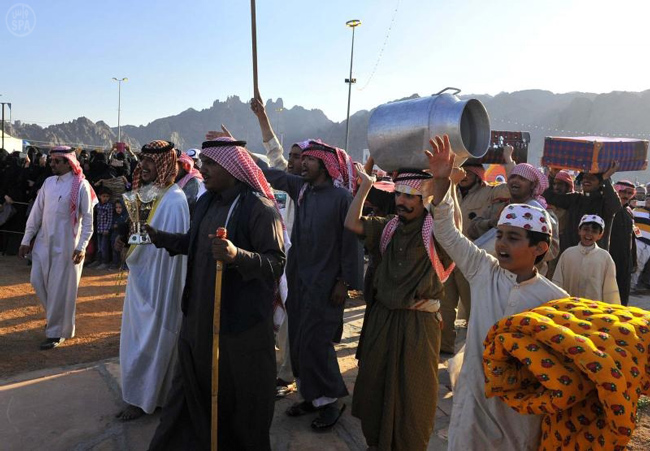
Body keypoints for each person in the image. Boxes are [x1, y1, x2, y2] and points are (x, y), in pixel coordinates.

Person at [427, 135, 569, 450]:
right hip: (474, 400)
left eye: (514, 238)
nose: (501, 243)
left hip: (519, 416)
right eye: (500, 235)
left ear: (540, 248)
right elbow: (447, 233)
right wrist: (440, 183)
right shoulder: (484, 271)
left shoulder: (555, 302)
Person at [147, 137, 285, 450]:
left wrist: (238, 255)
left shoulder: (259, 209)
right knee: (189, 393)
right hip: (198, 320)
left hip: (238, 329)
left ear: (233, 168)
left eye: (210, 164)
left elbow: (276, 263)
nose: (201, 169)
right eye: (202, 163)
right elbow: (193, 244)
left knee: (237, 401)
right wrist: (161, 238)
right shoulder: (206, 202)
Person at [345, 166, 453, 451]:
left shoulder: (436, 232)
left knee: (414, 394)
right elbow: (352, 224)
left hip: (419, 325)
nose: (402, 201)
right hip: (382, 319)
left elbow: (447, 221)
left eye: (411, 196)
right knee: (374, 385)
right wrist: (366, 186)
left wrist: (442, 180)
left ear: (424, 200)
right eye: (399, 195)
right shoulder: (388, 226)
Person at [255, 139, 359, 430]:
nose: (301, 164)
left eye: (308, 161)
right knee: (299, 343)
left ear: (324, 166)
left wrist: (343, 282)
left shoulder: (341, 198)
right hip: (300, 282)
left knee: (317, 344)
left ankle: (330, 402)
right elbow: (273, 175)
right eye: (302, 161)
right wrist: (243, 156)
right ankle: (312, 397)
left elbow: (350, 243)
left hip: (326, 286)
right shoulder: (302, 190)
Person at [116, 140, 190, 421]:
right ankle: (141, 395)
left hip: (161, 287)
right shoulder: (145, 194)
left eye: (151, 161)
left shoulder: (175, 201)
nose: (143, 166)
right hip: (141, 281)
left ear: (165, 164)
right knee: (135, 338)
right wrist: (125, 240)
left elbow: (170, 250)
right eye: (142, 160)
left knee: (153, 339)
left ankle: (148, 399)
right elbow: (140, 236)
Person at [249, 96, 306, 395]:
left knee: (288, 322)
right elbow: (273, 149)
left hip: (297, 264)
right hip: (275, 258)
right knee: (273, 316)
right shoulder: (285, 178)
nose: (295, 161)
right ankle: (276, 368)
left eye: (300, 157)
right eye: (293, 156)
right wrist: (262, 117)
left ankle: (288, 375)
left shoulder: (309, 189)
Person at [18, 146, 96, 350]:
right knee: (37, 280)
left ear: (68, 162)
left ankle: (55, 332)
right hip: (44, 243)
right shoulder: (48, 183)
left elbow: (88, 221)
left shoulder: (81, 186)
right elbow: (36, 213)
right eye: (51, 161)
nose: (52, 164)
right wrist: (26, 239)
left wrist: (82, 247)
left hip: (68, 246)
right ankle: (56, 320)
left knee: (60, 290)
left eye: (56, 161)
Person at [543, 163, 620, 252]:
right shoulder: (575, 198)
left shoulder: (605, 203)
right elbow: (549, 197)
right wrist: (552, 175)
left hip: (595, 256)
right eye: (584, 178)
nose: (586, 180)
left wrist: (606, 178)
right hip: (570, 253)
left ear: (600, 183)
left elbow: (615, 206)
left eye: (592, 178)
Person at [551, 214, 620, 304]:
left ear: (600, 235)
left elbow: (610, 288)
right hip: (568, 306)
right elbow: (558, 282)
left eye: (594, 231)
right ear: (579, 230)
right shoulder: (568, 254)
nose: (589, 234)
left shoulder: (605, 258)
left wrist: (611, 310)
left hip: (594, 308)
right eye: (586, 229)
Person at [609, 180, 636, 305]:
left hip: (625, 262)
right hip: (611, 259)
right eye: (622, 191)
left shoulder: (629, 212)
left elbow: (632, 238)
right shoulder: (610, 210)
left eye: (629, 193)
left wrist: (633, 261)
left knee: (623, 296)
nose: (625, 195)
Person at [87, 186, 113, 269]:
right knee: (98, 246)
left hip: (105, 230)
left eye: (107, 196)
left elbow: (109, 219)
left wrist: (107, 229)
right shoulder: (97, 205)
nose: (105, 198)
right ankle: (98, 260)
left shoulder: (109, 206)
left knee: (104, 247)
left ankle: (105, 262)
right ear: (99, 196)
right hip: (98, 229)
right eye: (103, 196)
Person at [632, 192, 650, 290]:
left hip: (648, 244)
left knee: (641, 264)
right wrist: (638, 235)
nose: (649, 201)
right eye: (647, 199)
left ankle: (634, 284)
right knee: (635, 262)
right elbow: (632, 223)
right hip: (638, 241)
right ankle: (629, 284)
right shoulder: (637, 210)